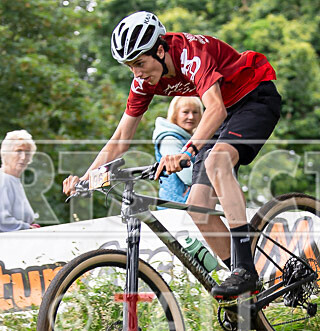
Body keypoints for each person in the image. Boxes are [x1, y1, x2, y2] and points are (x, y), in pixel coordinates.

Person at [63, 11, 281, 297]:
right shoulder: (143, 81)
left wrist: (186, 151)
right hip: (223, 115)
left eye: (140, 63)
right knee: (197, 205)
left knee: (217, 160)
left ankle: (245, 271)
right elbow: (119, 139)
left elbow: (215, 109)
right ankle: (244, 288)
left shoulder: (191, 54)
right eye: (130, 67)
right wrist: (86, 177)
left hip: (254, 97)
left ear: (161, 50)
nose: (137, 74)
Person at [0, 130, 41, 234]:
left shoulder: (14, 181)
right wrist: (27, 228)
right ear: (6, 154)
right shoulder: (1, 179)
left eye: (27, 153)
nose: (23, 157)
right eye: (18, 151)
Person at [153, 96, 203, 204]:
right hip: (176, 207)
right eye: (185, 112)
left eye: (195, 112)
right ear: (175, 114)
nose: (191, 117)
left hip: (188, 205)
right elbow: (188, 177)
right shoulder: (169, 139)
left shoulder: (192, 139)